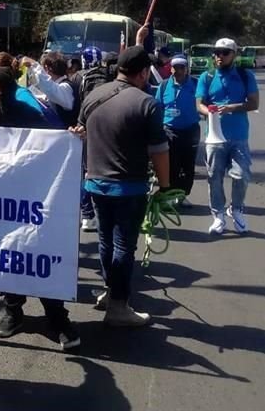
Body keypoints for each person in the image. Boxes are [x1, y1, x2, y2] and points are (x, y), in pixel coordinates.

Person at [0, 67, 83, 350]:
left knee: (37, 256)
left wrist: (73, 136)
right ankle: (13, 312)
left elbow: (55, 145)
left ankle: (58, 318)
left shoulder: (28, 115)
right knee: (7, 258)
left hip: (31, 203)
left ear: (6, 90)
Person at [76, 45, 171, 327]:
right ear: (143, 72)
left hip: (94, 183)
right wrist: (165, 187)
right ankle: (118, 306)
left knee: (105, 241)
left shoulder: (93, 95)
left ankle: (110, 292)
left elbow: (79, 133)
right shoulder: (147, 103)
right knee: (123, 246)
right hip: (128, 187)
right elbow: (159, 150)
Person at [196, 38, 259, 235]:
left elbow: (254, 103)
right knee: (214, 177)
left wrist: (232, 107)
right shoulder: (207, 77)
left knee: (241, 175)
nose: (219, 56)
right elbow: (199, 104)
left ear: (234, 54)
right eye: (216, 52)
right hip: (214, 138)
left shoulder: (245, 75)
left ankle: (236, 209)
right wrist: (210, 111)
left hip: (238, 135)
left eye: (224, 52)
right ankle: (218, 215)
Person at [155, 53, 200, 207]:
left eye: (181, 67)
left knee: (188, 166)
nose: (178, 70)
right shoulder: (164, 85)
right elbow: (158, 107)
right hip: (169, 130)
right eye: (175, 67)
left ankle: (183, 195)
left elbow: (204, 102)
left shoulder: (195, 84)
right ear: (171, 69)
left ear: (186, 69)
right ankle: (171, 194)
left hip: (191, 130)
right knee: (172, 165)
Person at [77, 46, 110, 232]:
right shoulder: (106, 77)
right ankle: (104, 210)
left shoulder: (79, 78)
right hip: (105, 130)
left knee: (85, 172)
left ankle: (87, 214)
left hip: (84, 128)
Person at [22, 53, 78, 128]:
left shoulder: (66, 87)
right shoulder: (60, 86)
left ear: (47, 68)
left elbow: (48, 87)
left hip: (67, 137)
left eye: (43, 68)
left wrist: (34, 64)